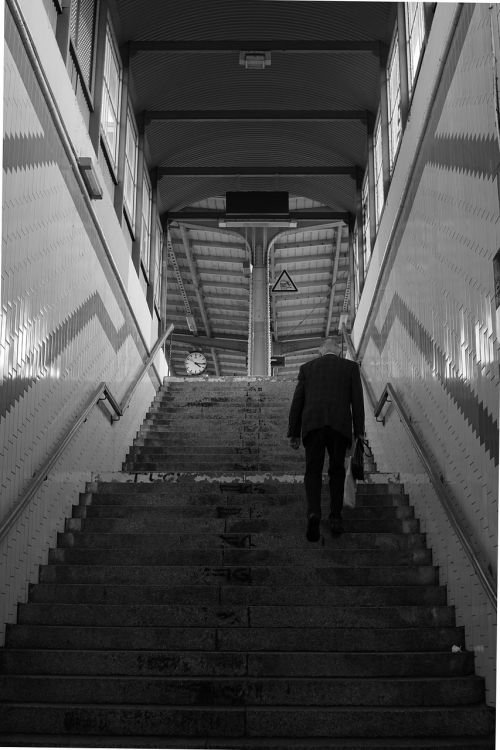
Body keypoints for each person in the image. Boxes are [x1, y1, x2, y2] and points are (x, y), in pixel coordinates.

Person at [287, 337, 365, 541]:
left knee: (312, 470)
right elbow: (357, 401)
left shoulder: (307, 368)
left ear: (321, 351)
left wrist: (294, 432)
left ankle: (313, 512)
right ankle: (336, 517)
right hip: (340, 426)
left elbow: (298, 401)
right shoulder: (350, 367)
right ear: (339, 351)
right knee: (337, 470)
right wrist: (359, 431)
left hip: (313, 424)